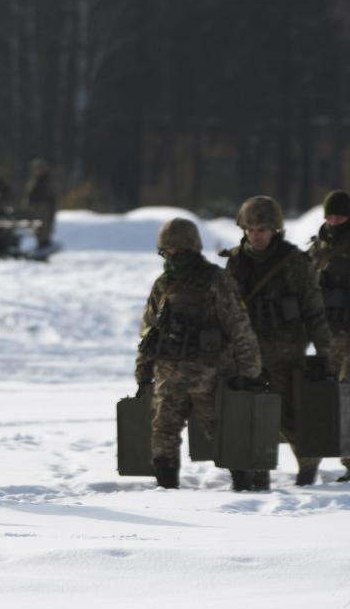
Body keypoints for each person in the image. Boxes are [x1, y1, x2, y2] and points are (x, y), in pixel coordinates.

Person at [135, 218, 261, 490]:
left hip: (211, 374)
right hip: (169, 377)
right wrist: (143, 373)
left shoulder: (216, 280)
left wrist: (249, 372)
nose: (172, 256)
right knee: (162, 434)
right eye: (167, 251)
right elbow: (149, 332)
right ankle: (167, 491)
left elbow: (239, 326)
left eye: (178, 251)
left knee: (225, 434)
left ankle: (245, 490)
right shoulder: (163, 284)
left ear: (191, 249)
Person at [224, 196, 331, 487]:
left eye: (262, 229)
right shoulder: (234, 263)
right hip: (247, 352)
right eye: (250, 229)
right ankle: (258, 472)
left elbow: (314, 310)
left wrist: (324, 354)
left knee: (288, 415)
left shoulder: (295, 263)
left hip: (286, 351)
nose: (255, 235)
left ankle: (308, 466)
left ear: (275, 230)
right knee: (251, 414)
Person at [307, 189, 350, 482]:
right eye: (330, 215)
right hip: (329, 332)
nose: (335, 220)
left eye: (340, 215)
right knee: (333, 394)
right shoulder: (318, 247)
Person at [23, 158, 57, 250]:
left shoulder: (47, 182)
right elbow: (29, 196)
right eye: (35, 169)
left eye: (39, 169)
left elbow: (52, 198)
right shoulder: (33, 182)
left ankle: (44, 245)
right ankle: (40, 246)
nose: (37, 171)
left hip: (45, 210)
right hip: (34, 210)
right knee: (37, 230)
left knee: (44, 230)